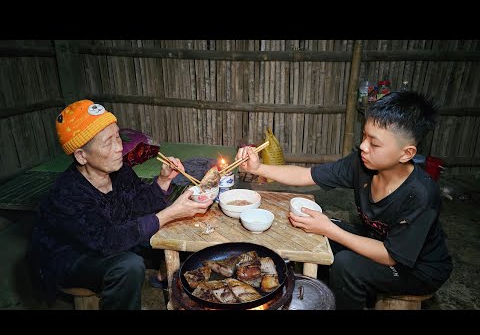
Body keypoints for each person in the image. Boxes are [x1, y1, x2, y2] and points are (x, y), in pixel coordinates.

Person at [235, 90, 453, 310]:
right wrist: (259, 167)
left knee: (346, 264)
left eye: (374, 144)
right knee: (310, 227)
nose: (364, 147)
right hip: (377, 241)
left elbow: (390, 256)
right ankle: (323, 294)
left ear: (406, 153)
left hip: (418, 269)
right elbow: (305, 175)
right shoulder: (361, 163)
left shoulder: (421, 194)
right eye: (364, 136)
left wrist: (330, 228)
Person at [28, 99, 212, 310]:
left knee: (181, 228)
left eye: (118, 137)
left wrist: (163, 181)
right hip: (72, 258)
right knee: (129, 265)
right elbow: (108, 240)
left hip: (112, 235)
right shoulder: (67, 194)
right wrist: (169, 213)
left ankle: (172, 285)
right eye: (108, 142)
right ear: (81, 155)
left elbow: (139, 204)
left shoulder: (119, 169)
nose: (119, 148)